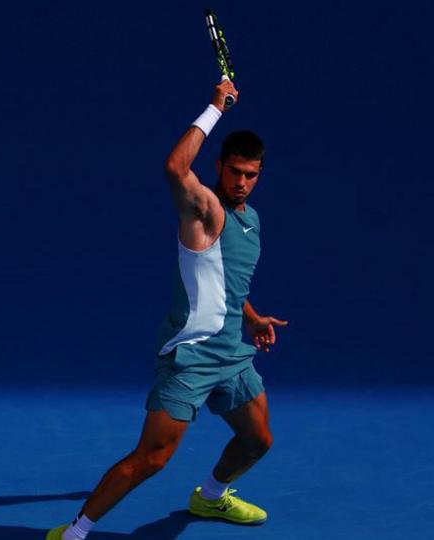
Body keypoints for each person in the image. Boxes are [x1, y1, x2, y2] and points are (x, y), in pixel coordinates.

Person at [46, 78, 288, 540]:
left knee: (258, 439)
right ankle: (72, 534)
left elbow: (227, 283)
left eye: (251, 175)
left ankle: (210, 497)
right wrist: (215, 108)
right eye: (234, 171)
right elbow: (175, 167)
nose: (241, 182)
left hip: (232, 354)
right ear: (219, 166)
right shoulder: (204, 210)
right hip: (190, 359)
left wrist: (253, 318)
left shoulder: (251, 221)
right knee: (152, 458)